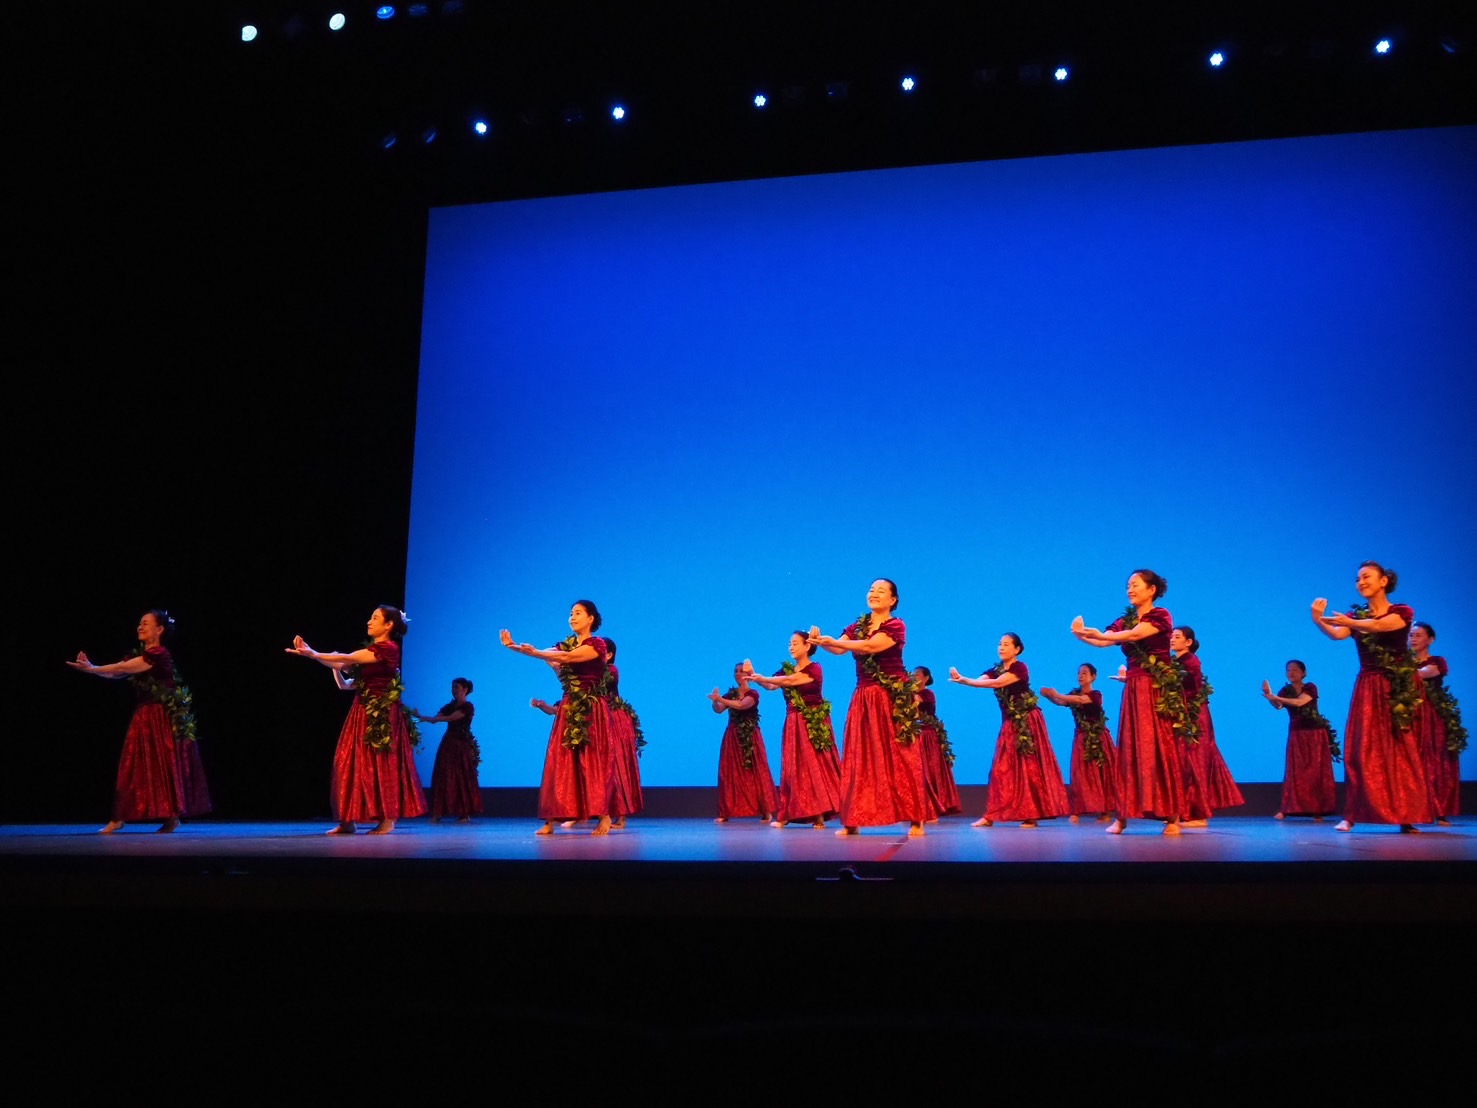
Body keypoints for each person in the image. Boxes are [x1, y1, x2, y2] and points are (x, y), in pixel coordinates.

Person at [1311, 560, 1430, 832]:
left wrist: (1351, 621)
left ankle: (1406, 815)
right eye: (1357, 579)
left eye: (1366, 577)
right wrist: (1318, 620)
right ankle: (1352, 814)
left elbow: (1382, 626)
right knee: (1361, 751)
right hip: (1368, 685)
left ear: (1383, 581)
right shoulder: (1356, 616)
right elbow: (1338, 634)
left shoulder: (1401, 611)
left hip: (1397, 686)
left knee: (1401, 750)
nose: (1361, 582)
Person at [287, 605, 426, 835]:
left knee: (381, 764)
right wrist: (312, 652)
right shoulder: (371, 651)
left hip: (382, 716)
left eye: (375, 618)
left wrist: (315, 654)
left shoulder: (388, 649)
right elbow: (343, 668)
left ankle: (388, 819)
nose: (369, 621)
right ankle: (348, 819)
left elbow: (347, 658)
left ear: (389, 625)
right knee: (349, 762)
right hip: (360, 713)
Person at [67, 609, 207, 833]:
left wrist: (92, 668)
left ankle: (170, 817)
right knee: (134, 767)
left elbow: (123, 668)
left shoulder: (158, 654)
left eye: (146, 623)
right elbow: (116, 673)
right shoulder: (140, 655)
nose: (140, 627)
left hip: (161, 717)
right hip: (145, 717)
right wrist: (92, 669)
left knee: (164, 766)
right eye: (139, 623)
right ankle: (120, 817)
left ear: (159, 630)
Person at [810, 578, 929, 837]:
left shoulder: (896, 625)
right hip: (864, 696)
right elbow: (839, 649)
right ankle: (853, 820)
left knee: (901, 755)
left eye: (881, 591)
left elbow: (870, 646)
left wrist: (836, 642)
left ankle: (916, 818)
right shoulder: (858, 626)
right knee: (858, 755)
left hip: (892, 697)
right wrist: (820, 642)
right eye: (871, 589)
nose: (874, 593)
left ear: (893, 600)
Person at [1071, 569, 1185, 835]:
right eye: (1128, 586)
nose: (1130, 590)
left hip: (1155, 689)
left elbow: (1133, 635)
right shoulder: (1126, 619)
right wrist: (1081, 634)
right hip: (1134, 689)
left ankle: (1172, 816)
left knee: (1159, 747)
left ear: (1151, 590)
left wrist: (1100, 634)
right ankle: (1122, 816)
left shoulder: (1161, 615)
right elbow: (1103, 641)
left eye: (1135, 585)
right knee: (1131, 748)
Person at [501, 600, 615, 836]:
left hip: (591, 709)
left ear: (591, 618)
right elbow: (547, 654)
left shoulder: (598, 644)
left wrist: (538, 652)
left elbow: (569, 658)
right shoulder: (565, 644)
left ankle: (604, 815)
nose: (572, 617)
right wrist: (512, 646)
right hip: (568, 706)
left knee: (592, 762)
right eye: (571, 613)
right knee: (559, 761)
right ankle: (550, 820)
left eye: (578, 613)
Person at [950, 632, 1069, 828]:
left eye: (1006, 644)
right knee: (1001, 768)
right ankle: (990, 815)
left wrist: (967, 681)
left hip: (1027, 721)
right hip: (1010, 723)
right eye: (1000, 644)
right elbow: (983, 680)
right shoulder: (995, 669)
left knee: (1029, 767)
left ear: (1017, 649)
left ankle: (1031, 814)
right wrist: (964, 679)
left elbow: (997, 683)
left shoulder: (1020, 668)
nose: (1001, 647)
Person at [744, 632, 843, 828]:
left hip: (813, 721)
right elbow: (772, 686)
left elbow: (791, 681)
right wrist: (756, 677)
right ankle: (787, 813)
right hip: (793, 722)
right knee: (793, 768)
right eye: (789, 643)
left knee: (815, 766)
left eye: (795, 643)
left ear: (807, 646)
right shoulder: (785, 670)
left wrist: (762, 677)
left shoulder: (815, 669)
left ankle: (819, 814)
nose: (791, 647)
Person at [1171, 626, 1244, 826]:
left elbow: (1181, 684)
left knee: (1195, 760)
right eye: (1171, 636)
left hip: (1194, 716)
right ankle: (1186, 811)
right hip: (1183, 715)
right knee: (1183, 762)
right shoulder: (1175, 662)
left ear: (1188, 642)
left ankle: (1199, 815)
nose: (1172, 639)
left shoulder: (1190, 661)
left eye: (1177, 637)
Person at [1040, 662, 1117, 823]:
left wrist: (1057, 694)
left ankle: (1106, 812)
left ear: (1093, 677)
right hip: (1081, 738)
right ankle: (1077, 810)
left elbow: (1079, 700)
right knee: (1080, 773)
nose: (1080, 676)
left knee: (1103, 774)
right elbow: (1062, 702)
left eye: (1084, 673)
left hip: (1099, 738)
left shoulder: (1096, 695)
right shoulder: (1073, 693)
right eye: (1079, 673)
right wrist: (1049, 696)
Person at [1261, 660, 1338, 820]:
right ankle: (1287, 809)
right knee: (1295, 771)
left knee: (1315, 772)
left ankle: (1317, 810)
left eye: (1295, 670)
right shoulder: (1285, 690)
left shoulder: (1310, 687)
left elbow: (1300, 702)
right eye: (1288, 670)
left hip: (1315, 733)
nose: (1291, 673)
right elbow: (1278, 706)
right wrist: (1270, 696)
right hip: (1297, 733)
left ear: (1303, 673)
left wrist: (1276, 697)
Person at [708, 663, 778, 823]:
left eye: (741, 671)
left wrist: (721, 699)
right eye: (736, 671)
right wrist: (715, 701)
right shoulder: (731, 693)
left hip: (750, 737)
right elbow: (719, 710)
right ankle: (725, 811)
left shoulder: (753, 693)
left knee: (757, 771)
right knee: (729, 772)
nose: (738, 674)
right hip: (732, 736)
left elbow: (741, 705)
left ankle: (766, 811)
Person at [1410, 622, 1463, 825]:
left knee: (1436, 760)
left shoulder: (1437, 661)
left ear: (1430, 639)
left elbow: (1425, 673)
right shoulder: (1403, 662)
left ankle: (1439, 810)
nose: (1413, 639)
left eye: (1418, 635)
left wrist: (1401, 671)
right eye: (1411, 635)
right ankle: (1413, 810)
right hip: (1410, 715)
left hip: (1433, 716)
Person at [411, 677, 481, 823]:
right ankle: (438, 812)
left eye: (456, 687)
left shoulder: (468, 707)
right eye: (452, 687)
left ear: (465, 689)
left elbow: (451, 718)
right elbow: (437, 718)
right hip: (449, 743)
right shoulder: (450, 705)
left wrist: (429, 718)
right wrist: (421, 717)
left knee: (461, 776)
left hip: (461, 745)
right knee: (443, 774)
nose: (453, 690)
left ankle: (464, 813)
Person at [602, 638, 644, 828]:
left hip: (615, 719)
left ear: (609, 655)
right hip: (600, 719)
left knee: (616, 765)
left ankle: (620, 816)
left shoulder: (611, 670)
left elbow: (600, 688)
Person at [913, 666, 962, 818]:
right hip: (916, 734)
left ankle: (934, 807)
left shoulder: (928, 694)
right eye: (913, 674)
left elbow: (916, 702)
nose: (914, 677)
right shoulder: (910, 693)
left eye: (918, 674)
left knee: (930, 770)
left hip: (927, 735)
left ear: (926, 678)